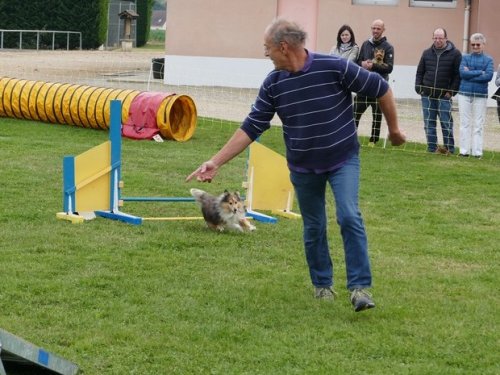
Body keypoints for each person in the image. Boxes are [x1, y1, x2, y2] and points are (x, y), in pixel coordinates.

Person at [186, 18, 406, 312]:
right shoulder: (274, 83)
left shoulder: (334, 67)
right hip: (303, 167)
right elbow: (252, 126)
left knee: (349, 215)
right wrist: (215, 162)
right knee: (314, 226)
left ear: (283, 46)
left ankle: (359, 288)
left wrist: (393, 130)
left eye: (267, 48)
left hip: (342, 158)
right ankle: (322, 285)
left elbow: (381, 89)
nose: (265, 54)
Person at [415, 28, 461, 155]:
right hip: (427, 95)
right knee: (429, 123)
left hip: (444, 96)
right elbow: (420, 72)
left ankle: (449, 149)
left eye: (440, 38)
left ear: (446, 38)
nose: (437, 40)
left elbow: (457, 76)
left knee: (446, 123)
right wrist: (419, 88)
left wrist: (451, 92)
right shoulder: (426, 53)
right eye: (435, 37)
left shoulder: (455, 54)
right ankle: (432, 148)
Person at [354, 19, 394, 146]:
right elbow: (358, 61)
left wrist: (373, 66)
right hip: (364, 85)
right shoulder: (365, 44)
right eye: (374, 28)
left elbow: (389, 68)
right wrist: (362, 64)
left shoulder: (388, 47)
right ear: (371, 29)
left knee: (377, 115)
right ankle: (352, 138)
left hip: (379, 86)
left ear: (383, 30)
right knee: (355, 113)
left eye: (378, 29)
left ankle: (373, 140)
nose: (375, 31)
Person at [457, 33, 494, 158]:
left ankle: (477, 152)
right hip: (464, 93)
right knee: (464, 123)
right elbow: (462, 73)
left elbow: (488, 76)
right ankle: (464, 151)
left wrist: (471, 73)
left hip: (480, 94)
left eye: (478, 44)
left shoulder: (489, 59)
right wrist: (479, 72)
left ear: (483, 45)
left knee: (478, 124)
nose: (475, 46)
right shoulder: (465, 57)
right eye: (473, 44)